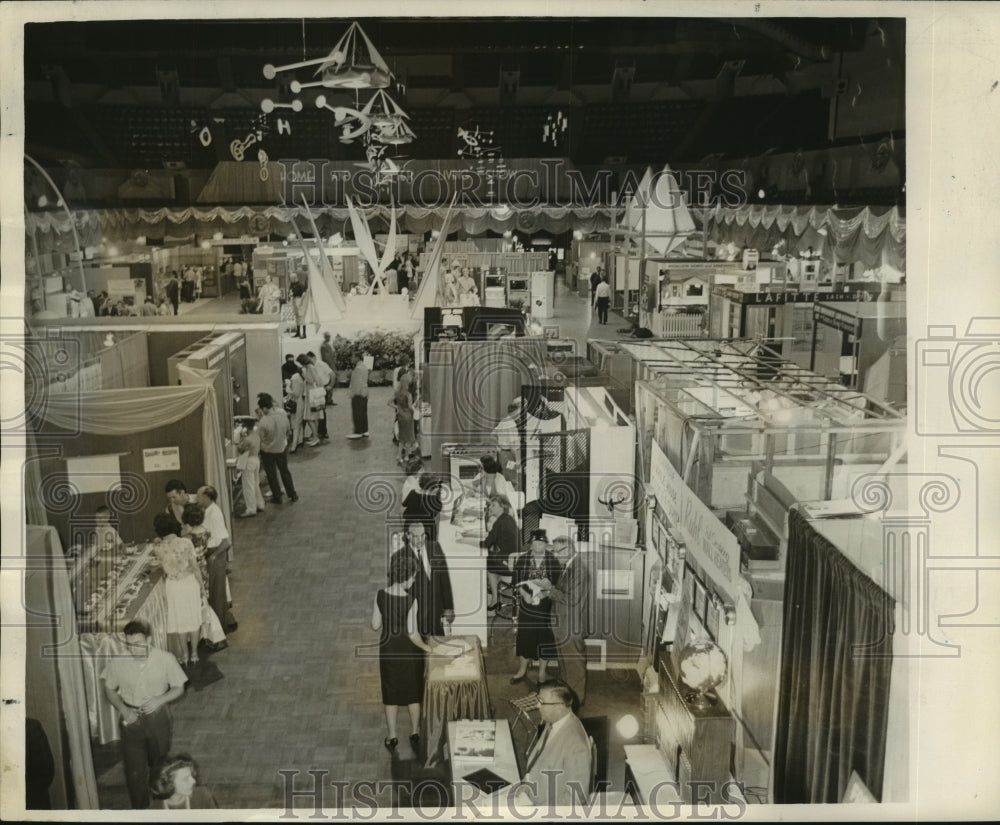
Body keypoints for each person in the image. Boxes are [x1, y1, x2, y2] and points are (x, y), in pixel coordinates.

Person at [102, 619, 187, 809]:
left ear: (149, 640)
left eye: (139, 644)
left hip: (158, 718)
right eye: (130, 645)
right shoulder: (118, 661)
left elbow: (179, 687)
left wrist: (160, 699)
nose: (134, 650)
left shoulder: (166, 659)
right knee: (135, 771)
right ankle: (140, 811)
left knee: (159, 765)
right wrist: (124, 710)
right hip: (130, 720)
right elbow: (109, 689)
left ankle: (160, 806)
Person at [372, 551, 435, 752]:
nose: (414, 579)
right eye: (414, 576)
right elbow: (413, 634)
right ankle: (415, 731)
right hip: (407, 651)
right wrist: (428, 648)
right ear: (407, 578)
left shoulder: (380, 595)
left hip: (389, 649)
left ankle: (392, 736)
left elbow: (375, 625)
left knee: (390, 692)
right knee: (413, 692)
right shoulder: (411, 601)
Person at [518, 679, 592, 808]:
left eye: (541, 702)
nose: (537, 706)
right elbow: (538, 759)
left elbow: (575, 799)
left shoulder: (577, 746)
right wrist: (524, 789)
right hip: (530, 795)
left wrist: (535, 811)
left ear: (559, 706)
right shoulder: (554, 721)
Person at [510, 529, 560, 685]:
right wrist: (524, 595)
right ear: (530, 545)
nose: (538, 546)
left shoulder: (552, 561)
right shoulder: (523, 560)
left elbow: (557, 586)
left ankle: (542, 673)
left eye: (541, 543)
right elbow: (516, 583)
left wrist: (545, 593)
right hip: (527, 601)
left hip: (545, 604)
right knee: (525, 635)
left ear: (546, 544)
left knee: (543, 637)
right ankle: (522, 670)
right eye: (535, 543)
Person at [545, 536, 590, 708]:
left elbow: (572, 599)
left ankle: (576, 702)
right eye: (554, 552)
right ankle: (566, 697)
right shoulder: (570, 566)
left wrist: (550, 590)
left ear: (570, 549)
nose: (555, 556)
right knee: (565, 665)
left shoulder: (579, 569)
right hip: (563, 624)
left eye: (558, 552)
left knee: (574, 668)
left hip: (571, 626)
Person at [152, 513, 203, 666]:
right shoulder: (186, 542)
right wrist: (202, 588)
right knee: (194, 619)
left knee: (180, 621)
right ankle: (195, 653)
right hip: (189, 582)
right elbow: (195, 567)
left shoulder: (158, 548)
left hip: (173, 586)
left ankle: (185, 654)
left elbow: (162, 566)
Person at [179, 503, 227, 651]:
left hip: (194, 572)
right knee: (204, 601)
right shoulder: (206, 532)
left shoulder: (188, 538)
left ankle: (210, 635)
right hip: (204, 569)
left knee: (198, 604)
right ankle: (205, 634)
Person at [400, 519, 454, 638]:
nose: (421, 540)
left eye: (423, 535)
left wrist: (448, 607)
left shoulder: (435, 547)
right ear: (408, 536)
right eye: (416, 536)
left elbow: (444, 578)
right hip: (416, 613)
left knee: (439, 643)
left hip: (436, 608)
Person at [467, 493, 520, 613]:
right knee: (490, 558)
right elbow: (493, 539)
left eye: (494, 506)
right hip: (514, 560)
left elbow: (486, 544)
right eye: (490, 505)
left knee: (486, 562)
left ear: (502, 507)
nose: (490, 508)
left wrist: (467, 541)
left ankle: (495, 598)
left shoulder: (499, 522)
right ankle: (494, 589)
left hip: (509, 563)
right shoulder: (508, 519)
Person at [195, 485, 235, 635]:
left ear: (206, 497)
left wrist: (213, 556)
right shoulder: (208, 511)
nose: (197, 499)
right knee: (214, 593)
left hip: (216, 556)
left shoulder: (214, 514)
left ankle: (219, 630)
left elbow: (226, 542)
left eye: (199, 496)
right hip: (213, 555)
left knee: (217, 595)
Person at [256, 392, 298, 504]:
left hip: (267, 450)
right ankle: (292, 493)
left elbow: (259, 438)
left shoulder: (263, 422)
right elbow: (288, 431)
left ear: (264, 408)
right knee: (285, 471)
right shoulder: (282, 417)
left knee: (271, 474)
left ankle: (277, 496)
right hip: (281, 448)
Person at [150, 754, 218, 809]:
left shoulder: (202, 796)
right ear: (169, 784)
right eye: (185, 779)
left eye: (191, 776)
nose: (193, 781)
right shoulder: (153, 806)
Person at [235, 417, 266, 518]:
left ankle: (251, 509)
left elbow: (240, 449)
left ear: (246, 427)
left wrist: (241, 439)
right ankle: (260, 504)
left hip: (249, 461)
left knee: (248, 486)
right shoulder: (256, 436)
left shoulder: (247, 439)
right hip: (256, 459)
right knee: (255, 484)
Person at [295, 354, 321, 447]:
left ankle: (315, 438)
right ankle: (315, 437)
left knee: (309, 418)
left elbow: (312, 380)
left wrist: (303, 374)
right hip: (313, 394)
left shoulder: (309, 368)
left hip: (311, 394)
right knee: (314, 417)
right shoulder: (311, 367)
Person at [347, 352, 370, 440]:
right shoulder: (364, 367)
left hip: (359, 393)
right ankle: (364, 430)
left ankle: (358, 431)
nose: (351, 359)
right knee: (363, 412)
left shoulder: (358, 368)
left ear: (357, 358)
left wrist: (354, 393)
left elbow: (357, 383)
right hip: (364, 392)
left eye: (353, 357)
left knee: (357, 412)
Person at [285, 361, 308, 451]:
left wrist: (287, 387)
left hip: (296, 402)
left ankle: (294, 445)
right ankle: (300, 440)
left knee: (295, 424)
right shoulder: (302, 378)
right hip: (302, 401)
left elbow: (295, 393)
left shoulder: (295, 378)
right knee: (299, 421)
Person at [320, 332, 338, 407]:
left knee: (331, 383)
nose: (329, 338)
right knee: (328, 383)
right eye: (328, 337)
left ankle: (329, 399)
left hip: (331, 366)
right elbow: (326, 358)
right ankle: (328, 399)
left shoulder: (328, 345)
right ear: (325, 337)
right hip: (328, 367)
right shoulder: (323, 346)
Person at [289, 273, 308, 338]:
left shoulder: (300, 285)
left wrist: (301, 301)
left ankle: (304, 333)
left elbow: (304, 293)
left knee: (301, 316)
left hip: (299, 299)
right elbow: (290, 292)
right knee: (296, 317)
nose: (291, 280)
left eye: (291, 278)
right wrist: (290, 296)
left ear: (295, 278)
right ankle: (298, 332)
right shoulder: (292, 284)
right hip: (294, 299)